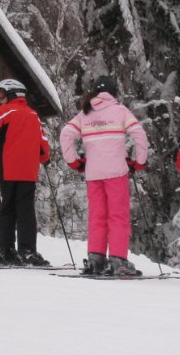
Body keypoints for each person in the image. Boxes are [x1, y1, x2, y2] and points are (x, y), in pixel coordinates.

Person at [59, 76, 149, 276]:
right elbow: (139, 135)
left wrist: (74, 162)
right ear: (113, 92)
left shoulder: (85, 113)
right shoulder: (120, 111)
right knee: (118, 216)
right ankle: (118, 260)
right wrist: (140, 161)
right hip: (116, 171)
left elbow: (66, 134)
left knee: (97, 216)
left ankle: (96, 260)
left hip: (93, 173)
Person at [0, 78, 51, 266]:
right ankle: (27, 250)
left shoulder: (4, 112)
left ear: (12, 94)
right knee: (26, 211)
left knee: (7, 209)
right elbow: (43, 145)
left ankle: (6, 250)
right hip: (28, 171)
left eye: (1, 93)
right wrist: (45, 159)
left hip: (7, 170)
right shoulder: (33, 115)